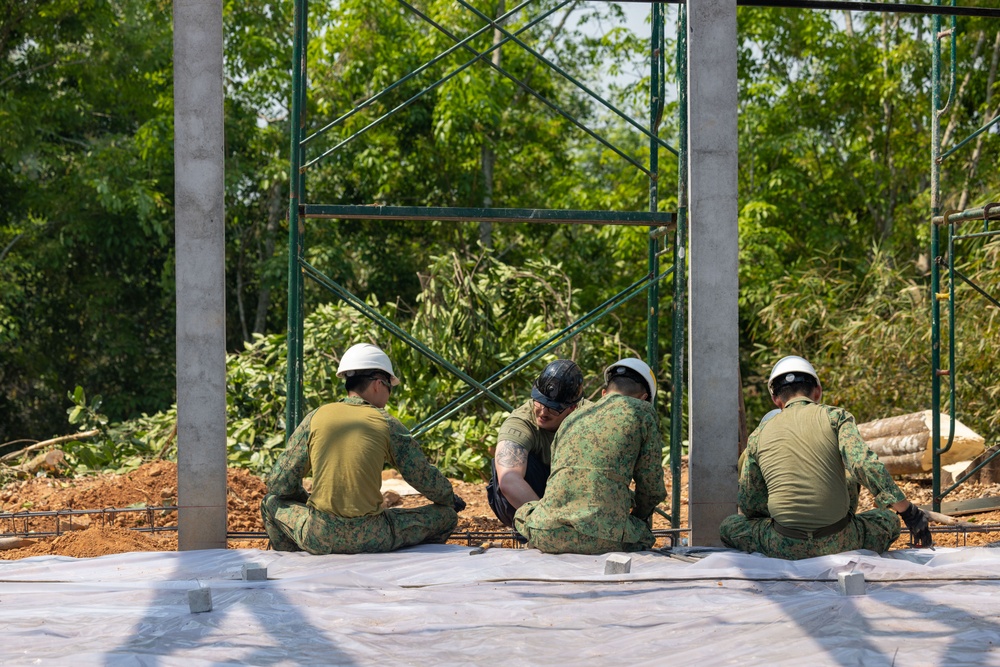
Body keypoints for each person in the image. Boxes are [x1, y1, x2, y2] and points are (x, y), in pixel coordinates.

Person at [720, 355, 933, 560]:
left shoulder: (758, 435)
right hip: (841, 542)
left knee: (729, 526)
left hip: (782, 545)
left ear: (776, 399)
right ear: (818, 391)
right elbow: (862, 463)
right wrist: (908, 512)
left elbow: (750, 503)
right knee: (887, 519)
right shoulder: (836, 417)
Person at [261, 343, 465, 554]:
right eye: (389, 387)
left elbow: (279, 483)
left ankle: (292, 561)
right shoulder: (387, 423)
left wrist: (303, 499)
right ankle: (412, 563)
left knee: (271, 502)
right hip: (374, 537)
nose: (389, 394)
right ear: (378, 384)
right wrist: (449, 499)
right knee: (446, 516)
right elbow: (422, 476)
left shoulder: (315, 417)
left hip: (319, 535)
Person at [513, 358, 667, 554]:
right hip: (603, 539)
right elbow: (652, 489)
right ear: (644, 398)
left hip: (548, 533)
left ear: (604, 393)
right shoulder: (643, 412)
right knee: (643, 534)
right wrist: (637, 518)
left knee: (525, 513)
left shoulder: (574, 416)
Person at [486, 359, 588, 527]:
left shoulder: (591, 417)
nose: (543, 412)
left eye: (553, 407)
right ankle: (530, 530)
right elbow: (509, 480)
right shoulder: (521, 421)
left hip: (573, 496)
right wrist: (547, 524)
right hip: (534, 504)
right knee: (504, 468)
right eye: (539, 401)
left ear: (572, 408)